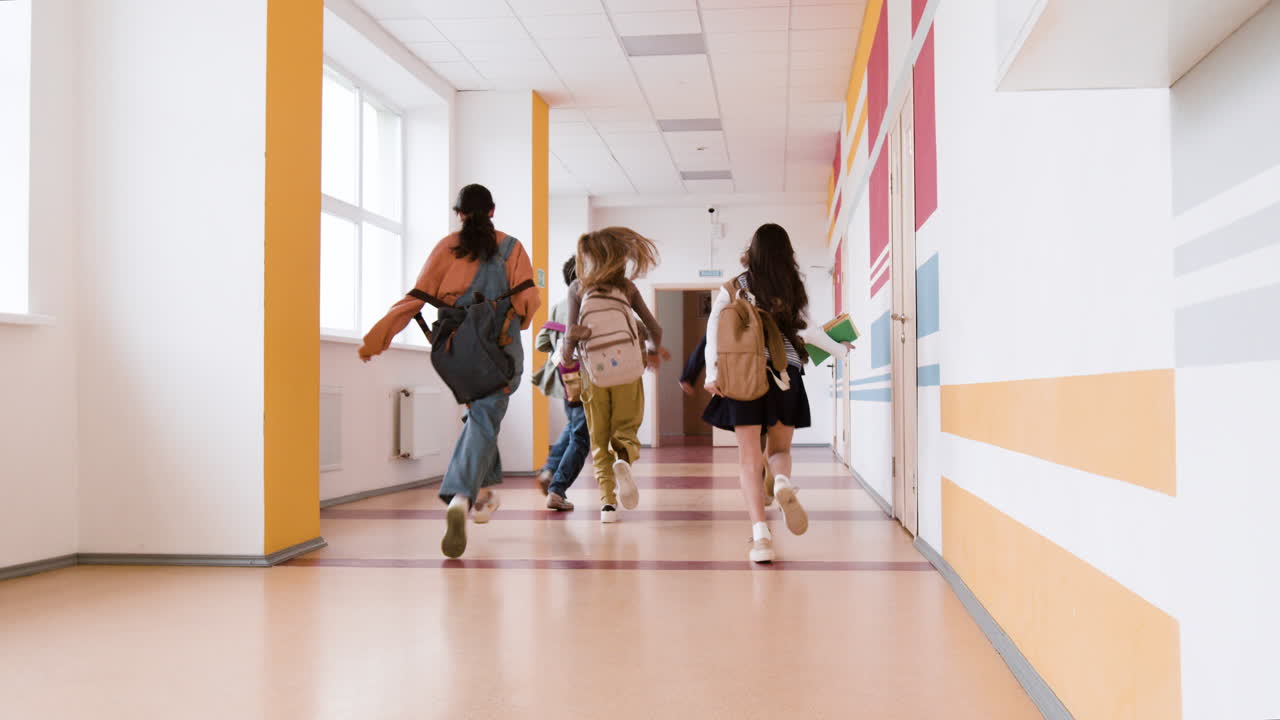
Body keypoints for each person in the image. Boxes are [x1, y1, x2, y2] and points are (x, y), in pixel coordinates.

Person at [359, 184, 540, 559]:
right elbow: (528, 302)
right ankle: (460, 496)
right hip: (500, 349)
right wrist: (512, 318)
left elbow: (417, 297)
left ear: (459, 213)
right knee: (485, 419)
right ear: (492, 211)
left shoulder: (446, 247)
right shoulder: (512, 247)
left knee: (480, 416)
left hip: (456, 350)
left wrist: (379, 337)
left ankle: (483, 496)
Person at [702, 223, 850, 564]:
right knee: (779, 450)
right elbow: (808, 331)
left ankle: (760, 536)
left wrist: (712, 373)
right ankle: (781, 481)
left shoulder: (734, 287)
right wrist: (840, 350)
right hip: (786, 374)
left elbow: (714, 329)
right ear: (787, 252)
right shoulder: (793, 285)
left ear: (751, 252)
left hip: (743, 378)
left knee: (748, 460)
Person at [564, 227, 668, 523]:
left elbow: (571, 335)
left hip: (593, 374)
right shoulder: (627, 288)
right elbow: (655, 329)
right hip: (628, 370)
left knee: (599, 438)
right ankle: (623, 459)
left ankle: (608, 505)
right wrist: (651, 352)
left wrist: (568, 354)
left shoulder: (578, 288)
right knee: (626, 429)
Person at [680, 334, 775, 507]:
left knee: (751, 442)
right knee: (766, 436)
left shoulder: (729, 307)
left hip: (739, 376)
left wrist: (690, 375)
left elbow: (710, 338)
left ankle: (759, 489)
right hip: (772, 373)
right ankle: (769, 481)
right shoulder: (773, 308)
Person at [532, 257, 589, 511]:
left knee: (574, 425)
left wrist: (558, 348)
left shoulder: (556, 306)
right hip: (587, 378)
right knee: (581, 437)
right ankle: (557, 488)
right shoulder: (589, 305)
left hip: (565, 379)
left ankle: (551, 469)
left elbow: (541, 342)